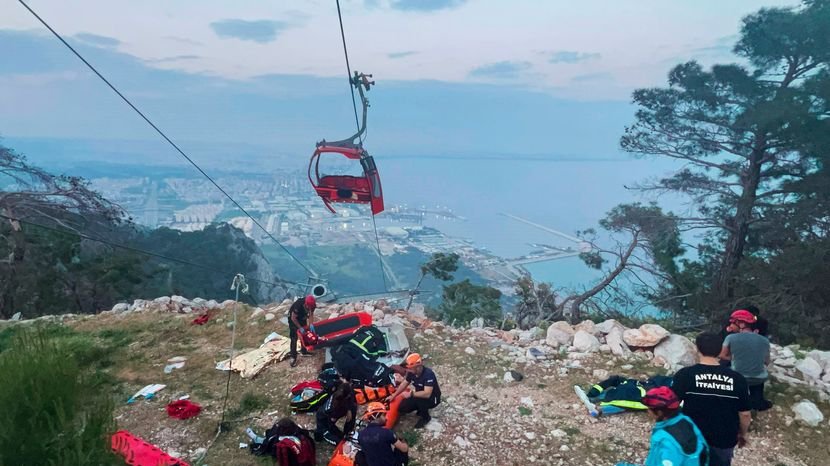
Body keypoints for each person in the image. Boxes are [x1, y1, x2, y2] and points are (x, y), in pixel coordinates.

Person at [673, 332, 751, 466]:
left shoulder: (685, 375)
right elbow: (745, 414)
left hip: (692, 437)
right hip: (724, 439)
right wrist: (742, 434)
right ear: (721, 350)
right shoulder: (738, 379)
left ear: (697, 349)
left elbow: (671, 406)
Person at [615, 387, 709, 466]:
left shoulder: (665, 439)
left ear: (659, 412)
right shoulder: (685, 420)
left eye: (649, 409)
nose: (648, 412)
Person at [720, 310, 772, 411]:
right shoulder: (764, 340)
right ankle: (758, 402)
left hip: (738, 378)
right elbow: (767, 362)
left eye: (733, 323)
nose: (730, 325)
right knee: (757, 379)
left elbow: (722, 355)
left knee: (725, 367)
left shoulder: (730, 338)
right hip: (759, 379)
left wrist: (733, 358)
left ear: (741, 324)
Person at [387, 353, 441, 429]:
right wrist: (394, 395)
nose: (408, 370)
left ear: (418, 367)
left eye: (410, 368)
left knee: (420, 400)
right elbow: (404, 384)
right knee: (403, 408)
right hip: (418, 394)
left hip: (432, 398)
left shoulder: (428, 374)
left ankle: (426, 417)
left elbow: (427, 393)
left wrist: (411, 394)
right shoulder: (411, 373)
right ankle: (420, 408)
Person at [315, 381, 357, 445]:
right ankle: (321, 434)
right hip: (324, 419)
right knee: (339, 442)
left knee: (353, 409)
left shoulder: (341, 389)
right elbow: (331, 423)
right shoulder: (333, 408)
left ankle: (347, 432)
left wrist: (349, 410)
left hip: (333, 414)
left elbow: (351, 401)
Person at [289, 295, 317, 368]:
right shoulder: (298, 305)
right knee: (294, 337)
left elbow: (311, 314)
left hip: (302, 317)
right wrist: (300, 327)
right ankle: (293, 357)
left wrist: (311, 324)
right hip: (293, 319)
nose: (310, 308)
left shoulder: (312, 305)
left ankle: (304, 351)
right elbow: (293, 318)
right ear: (306, 304)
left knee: (304, 334)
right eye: (309, 307)